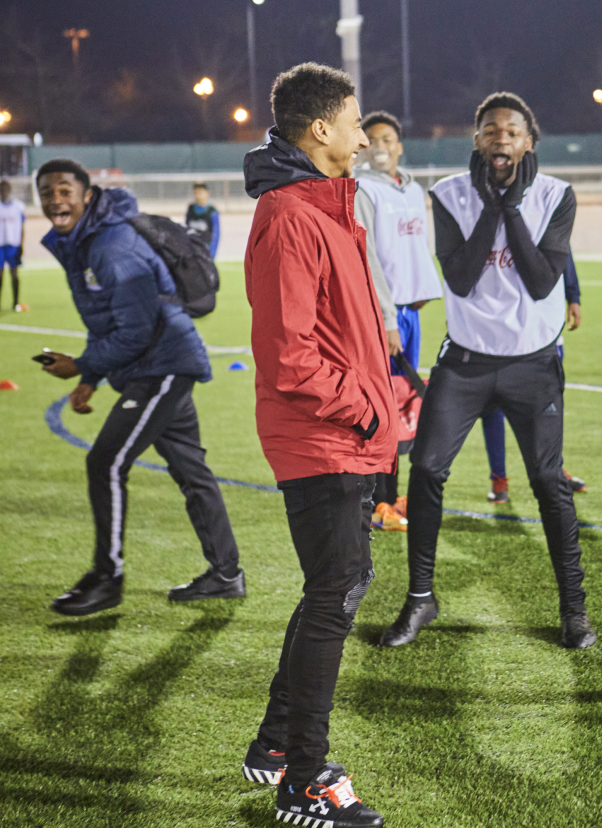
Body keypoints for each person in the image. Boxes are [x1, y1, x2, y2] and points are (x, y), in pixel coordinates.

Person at [380, 91, 595, 651]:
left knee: (549, 483)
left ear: (529, 141)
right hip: (466, 363)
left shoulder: (556, 196)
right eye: (491, 130)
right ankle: (421, 599)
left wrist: (511, 206)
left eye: (513, 131)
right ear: (477, 140)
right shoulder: (449, 194)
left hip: (533, 365)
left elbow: (542, 280)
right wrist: (491, 204)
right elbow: (463, 278)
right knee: (426, 469)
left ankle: (573, 609)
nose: (502, 138)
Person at [240, 63, 390, 828]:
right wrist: (367, 410)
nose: (365, 135)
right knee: (335, 595)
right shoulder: (292, 215)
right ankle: (306, 779)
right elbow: (289, 357)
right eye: (356, 120)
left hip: (345, 435)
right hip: (320, 439)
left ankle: (275, 746)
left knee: (331, 590)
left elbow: (344, 337)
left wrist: (390, 395)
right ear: (320, 128)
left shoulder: (331, 207)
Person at [35, 159, 244, 616]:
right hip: (154, 365)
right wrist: (90, 377)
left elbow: (136, 329)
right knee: (192, 472)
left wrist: (81, 366)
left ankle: (106, 579)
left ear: (87, 196)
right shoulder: (84, 243)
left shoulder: (110, 244)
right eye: (47, 192)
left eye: (65, 191)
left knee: (105, 462)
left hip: (163, 364)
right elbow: (107, 318)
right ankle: (226, 574)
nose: (55, 200)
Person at [352, 109, 443, 515]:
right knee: (383, 406)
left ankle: (390, 497)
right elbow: (368, 259)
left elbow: (418, 249)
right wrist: (387, 319)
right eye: (372, 140)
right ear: (363, 147)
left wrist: (424, 289)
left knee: (404, 402)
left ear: (400, 146)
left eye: (388, 139)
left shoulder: (413, 189)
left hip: (411, 314)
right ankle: (378, 502)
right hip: (383, 317)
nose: (381, 146)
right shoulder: (361, 190)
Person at [482, 251, 585, 504]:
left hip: (545, 330)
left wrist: (573, 294)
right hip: (500, 329)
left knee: (549, 407)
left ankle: (555, 470)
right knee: (493, 406)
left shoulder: (547, 211)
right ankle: (499, 477)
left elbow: (562, 249)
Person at [0, 179, 25, 310]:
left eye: (5, 189)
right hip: (0, 246)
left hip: (13, 245)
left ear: (9, 190)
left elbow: (22, 227)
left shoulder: (18, 207)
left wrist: (21, 245)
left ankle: (16, 302)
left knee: (14, 274)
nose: (3, 192)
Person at [185, 182, 221, 259]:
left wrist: (212, 254)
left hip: (205, 250)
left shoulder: (212, 212)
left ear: (206, 193)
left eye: (200, 193)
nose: (198, 195)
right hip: (192, 250)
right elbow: (186, 229)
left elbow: (216, 234)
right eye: (196, 193)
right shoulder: (190, 209)